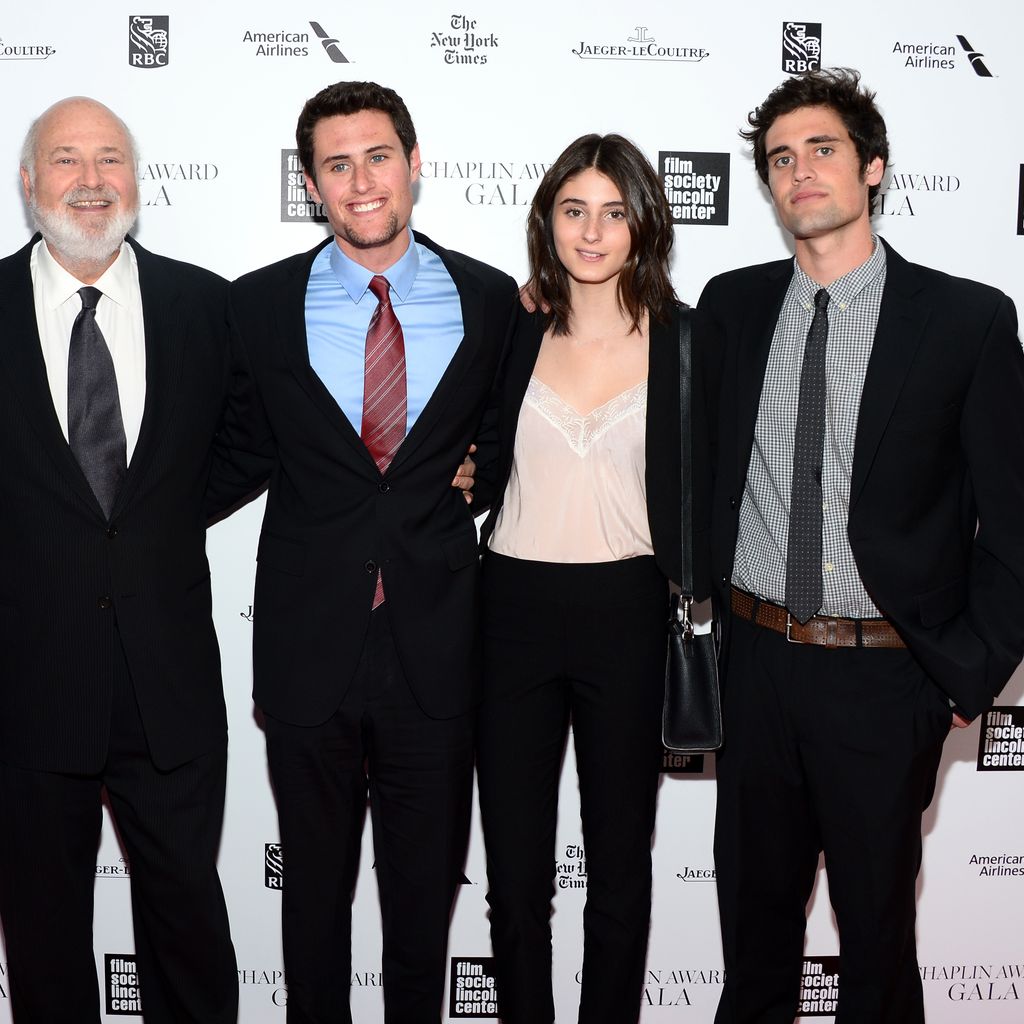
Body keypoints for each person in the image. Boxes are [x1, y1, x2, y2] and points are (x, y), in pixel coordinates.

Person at [701, 67, 1024, 1024]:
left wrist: (966, 670)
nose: (800, 171)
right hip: (755, 668)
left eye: (823, 149)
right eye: (780, 159)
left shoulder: (966, 320)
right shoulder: (731, 307)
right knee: (751, 946)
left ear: (873, 167)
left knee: (877, 953)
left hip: (885, 677)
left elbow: (1013, 520)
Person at [207, 81, 518, 1023]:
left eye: (378, 157)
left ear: (414, 164)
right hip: (307, 648)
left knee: (423, 910)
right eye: (336, 165)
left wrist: (478, 478)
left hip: (438, 647)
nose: (361, 181)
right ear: (311, 184)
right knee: (313, 905)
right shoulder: (256, 306)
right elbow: (232, 452)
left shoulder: (491, 299)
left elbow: (509, 445)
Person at [0, 98, 237, 1022]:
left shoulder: (206, 306)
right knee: (44, 940)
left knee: (188, 930)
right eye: (67, 159)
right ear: (30, 182)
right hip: (27, 684)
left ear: (137, 180)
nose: (91, 180)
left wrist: (159, 518)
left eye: (111, 159)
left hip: (167, 681)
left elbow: (253, 441)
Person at [475, 134, 720, 1024]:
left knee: (619, 868)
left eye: (614, 213)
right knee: (515, 876)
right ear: (547, 220)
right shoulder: (511, 329)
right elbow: (467, 450)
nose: (591, 232)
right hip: (510, 610)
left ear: (643, 224)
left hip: (629, 611)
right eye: (574, 210)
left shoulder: (687, 339)